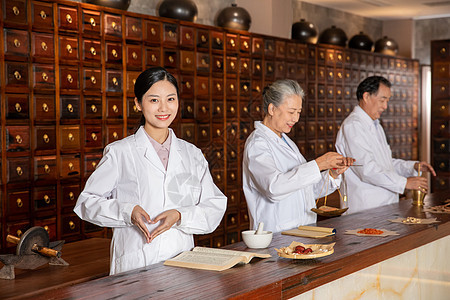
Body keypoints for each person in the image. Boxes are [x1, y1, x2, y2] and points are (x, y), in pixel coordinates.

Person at [74, 67, 227, 275]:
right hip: (136, 261)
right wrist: (128, 211)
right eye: (154, 100)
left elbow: (214, 206)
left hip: (182, 261)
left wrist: (180, 215)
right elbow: (86, 202)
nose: (164, 108)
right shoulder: (120, 152)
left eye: (171, 99)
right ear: (138, 103)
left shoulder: (192, 154)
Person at [242, 79, 354, 233]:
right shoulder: (258, 145)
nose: (296, 119)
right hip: (276, 234)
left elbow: (305, 189)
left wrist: (332, 174)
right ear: (272, 109)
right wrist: (319, 164)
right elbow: (273, 188)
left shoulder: (286, 142)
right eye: (291, 112)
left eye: (298, 112)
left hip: (302, 231)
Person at [335, 76, 436, 214]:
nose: (385, 106)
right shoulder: (353, 126)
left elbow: (385, 163)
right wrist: (404, 183)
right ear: (366, 96)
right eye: (382, 100)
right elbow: (366, 169)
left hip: (384, 206)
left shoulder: (375, 125)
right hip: (365, 209)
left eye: (387, 101)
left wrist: (411, 166)